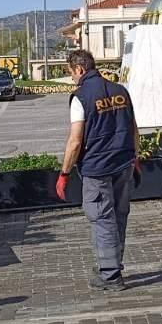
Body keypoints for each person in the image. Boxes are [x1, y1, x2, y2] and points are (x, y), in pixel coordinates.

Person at [57, 49, 140, 292]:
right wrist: (135, 159)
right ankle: (111, 265)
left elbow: (75, 141)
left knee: (102, 219)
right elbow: (134, 129)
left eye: (71, 73)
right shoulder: (121, 91)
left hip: (97, 169)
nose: (72, 78)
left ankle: (110, 275)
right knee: (119, 216)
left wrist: (64, 174)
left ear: (79, 69)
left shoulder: (80, 97)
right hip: (123, 164)